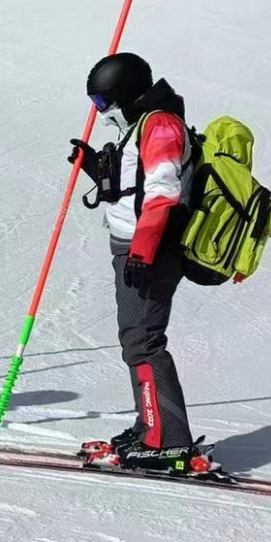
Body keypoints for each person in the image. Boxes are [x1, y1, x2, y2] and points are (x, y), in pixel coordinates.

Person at [70, 52, 205, 475]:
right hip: (130, 248)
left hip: (149, 252)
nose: (101, 112)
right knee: (136, 338)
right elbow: (135, 188)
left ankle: (167, 440)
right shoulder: (141, 125)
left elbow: (163, 193)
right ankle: (152, 424)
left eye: (102, 103)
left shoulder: (160, 125)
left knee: (144, 341)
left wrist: (144, 252)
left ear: (123, 94)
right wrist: (97, 169)